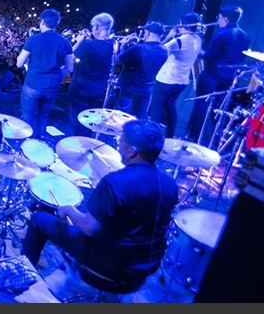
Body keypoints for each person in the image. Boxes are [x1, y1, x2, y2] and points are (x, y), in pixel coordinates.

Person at [22, 118, 178, 287]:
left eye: (121, 141)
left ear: (132, 151)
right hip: (145, 266)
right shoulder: (170, 185)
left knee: (40, 218)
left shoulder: (114, 182)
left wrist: (70, 210)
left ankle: (22, 277)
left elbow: (90, 228)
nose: (118, 146)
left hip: (110, 265)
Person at [185, 5, 251, 145]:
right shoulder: (245, 36)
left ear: (225, 19)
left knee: (201, 105)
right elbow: (242, 58)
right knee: (217, 109)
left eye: (219, 18)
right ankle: (209, 139)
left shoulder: (220, 35)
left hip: (211, 75)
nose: (218, 21)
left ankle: (192, 137)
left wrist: (199, 45)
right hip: (228, 78)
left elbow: (208, 56)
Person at [15, 8, 74, 142]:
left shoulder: (33, 39)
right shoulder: (65, 42)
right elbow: (69, 68)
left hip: (32, 85)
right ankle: (39, 142)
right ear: (56, 23)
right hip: (52, 87)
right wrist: (58, 75)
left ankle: (29, 144)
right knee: (42, 117)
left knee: (28, 116)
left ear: (42, 22)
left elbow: (19, 63)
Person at [148, 12, 204, 138]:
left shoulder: (178, 41)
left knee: (156, 107)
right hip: (182, 81)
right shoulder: (198, 39)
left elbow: (157, 50)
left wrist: (168, 37)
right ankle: (169, 136)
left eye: (180, 24)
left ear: (184, 25)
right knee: (170, 106)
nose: (178, 26)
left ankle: (152, 136)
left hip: (167, 80)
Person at [67, 12, 117, 137]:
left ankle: (79, 141)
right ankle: (88, 141)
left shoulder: (88, 45)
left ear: (97, 27)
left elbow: (69, 56)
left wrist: (79, 41)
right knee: (91, 119)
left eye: (93, 26)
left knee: (77, 118)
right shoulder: (113, 44)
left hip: (80, 89)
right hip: (98, 90)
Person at [112, 21, 169, 119]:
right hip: (146, 90)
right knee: (140, 119)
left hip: (129, 89)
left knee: (121, 118)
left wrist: (123, 46)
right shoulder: (165, 50)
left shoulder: (138, 49)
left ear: (148, 33)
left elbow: (119, 62)